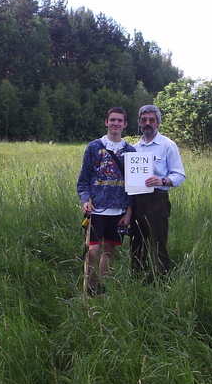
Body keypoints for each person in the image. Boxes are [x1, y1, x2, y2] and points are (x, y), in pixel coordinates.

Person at [77, 107, 136, 295]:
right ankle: (90, 289)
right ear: (106, 122)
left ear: (125, 124)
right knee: (93, 251)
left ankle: (103, 289)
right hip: (96, 210)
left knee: (110, 252)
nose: (116, 123)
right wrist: (85, 200)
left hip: (119, 212)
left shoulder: (131, 151)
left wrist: (128, 212)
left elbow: (134, 187)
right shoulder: (94, 147)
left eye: (120, 120)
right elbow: (83, 180)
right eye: (113, 120)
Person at [131, 104, 185, 280]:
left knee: (158, 241)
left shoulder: (168, 145)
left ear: (158, 123)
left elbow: (179, 175)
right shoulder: (133, 149)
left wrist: (162, 180)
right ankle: (137, 278)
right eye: (144, 120)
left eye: (151, 120)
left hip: (157, 199)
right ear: (139, 122)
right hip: (136, 199)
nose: (147, 123)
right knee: (136, 242)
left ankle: (161, 279)